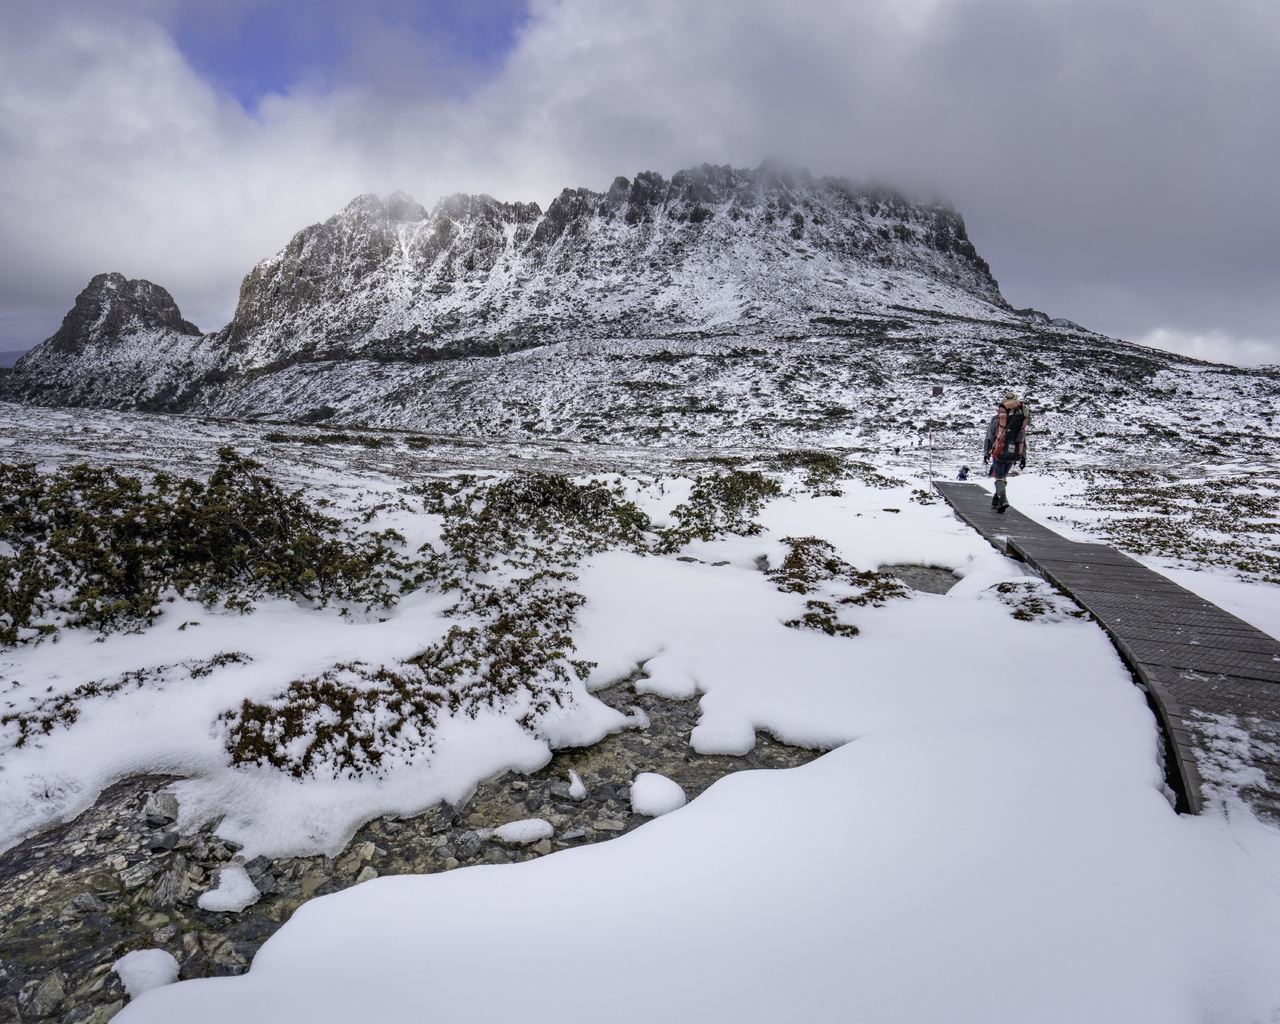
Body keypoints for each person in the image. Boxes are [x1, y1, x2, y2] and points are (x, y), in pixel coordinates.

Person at [983, 392, 1029, 513]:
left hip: (999, 452)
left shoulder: (997, 419)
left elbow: (989, 436)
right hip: (1013, 454)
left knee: (999, 477)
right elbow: (1022, 439)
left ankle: (1002, 500)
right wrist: (1023, 456)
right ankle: (996, 500)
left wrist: (986, 453)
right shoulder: (1020, 421)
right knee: (1003, 476)